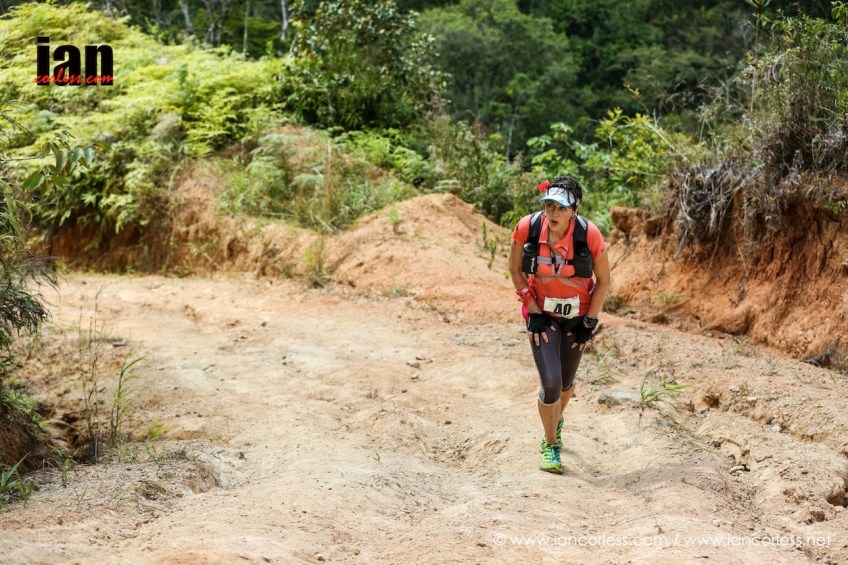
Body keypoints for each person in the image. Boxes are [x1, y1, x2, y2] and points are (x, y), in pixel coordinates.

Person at [508, 175, 611, 474]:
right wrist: (533, 310)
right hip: (543, 315)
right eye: (549, 206)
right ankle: (550, 444)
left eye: (561, 208)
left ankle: (556, 419)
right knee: (551, 383)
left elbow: (604, 281)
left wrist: (590, 321)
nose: (553, 213)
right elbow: (514, 270)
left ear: (575, 210)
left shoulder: (589, 234)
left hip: (578, 316)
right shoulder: (527, 227)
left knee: (566, 383)